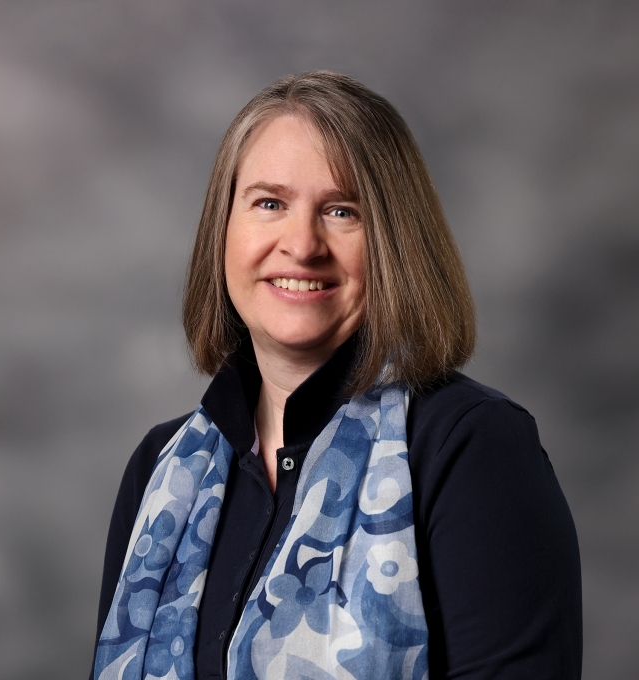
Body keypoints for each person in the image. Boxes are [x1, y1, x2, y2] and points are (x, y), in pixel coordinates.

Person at [90, 71, 582, 680]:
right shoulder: (158, 468)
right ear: (224, 229)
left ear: (395, 244)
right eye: (269, 203)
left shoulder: (470, 447)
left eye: (342, 211)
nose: (302, 244)